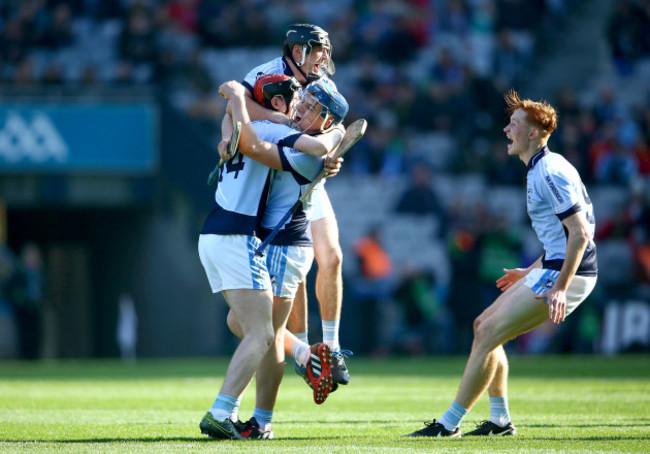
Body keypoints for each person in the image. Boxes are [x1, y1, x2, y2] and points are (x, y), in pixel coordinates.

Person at [406, 89, 598, 438]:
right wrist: (531, 270)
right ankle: (499, 421)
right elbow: (561, 238)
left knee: (488, 333)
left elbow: (581, 234)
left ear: (534, 133)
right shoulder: (542, 168)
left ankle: (449, 424)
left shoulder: (549, 172)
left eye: (514, 125)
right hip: (552, 268)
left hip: (569, 274)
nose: (506, 131)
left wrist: (560, 287)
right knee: (484, 326)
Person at [198, 74, 345, 440]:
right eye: (301, 103)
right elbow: (246, 131)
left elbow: (253, 144)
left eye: (311, 108)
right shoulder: (273, 128)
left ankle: (260, 420)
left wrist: (334, 139)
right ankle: (304, 358)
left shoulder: (296, 144)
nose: (301, 110)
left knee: (263, 334)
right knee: (250, 328)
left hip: (284, 245)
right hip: (253, 240)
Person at [223, 23, 351, 388]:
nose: (325, 58)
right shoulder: (265, 73)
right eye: (320, 50)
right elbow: (235, 108)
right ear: (299, 51)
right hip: (273, 173)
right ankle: (304, 352)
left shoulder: (323, 85)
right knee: (274, 293)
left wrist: (332, 159)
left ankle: (330, 349)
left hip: (304, 172)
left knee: (332, 257)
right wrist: (279, 122)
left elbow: (330, 136)